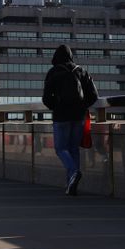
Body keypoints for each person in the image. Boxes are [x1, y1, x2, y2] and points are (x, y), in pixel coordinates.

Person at [42, 44, 99, 196]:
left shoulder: (54, 72)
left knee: (61, 149)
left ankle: (74, 172)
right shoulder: (81, 71)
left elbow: (46, 98)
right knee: (74, 149)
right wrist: (81, 106)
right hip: (78, 116)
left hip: (61, 117)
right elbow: (94, 95)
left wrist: (57, 106)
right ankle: (70, 185)